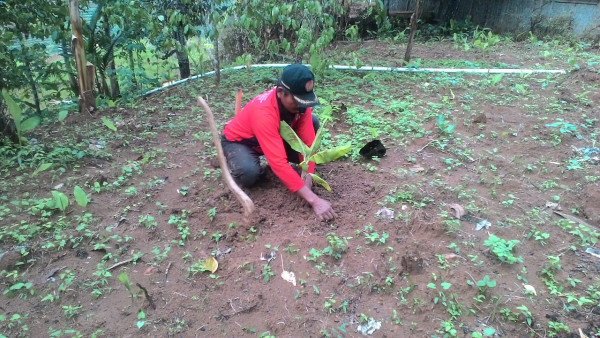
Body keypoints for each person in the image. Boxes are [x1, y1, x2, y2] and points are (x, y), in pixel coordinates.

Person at [221, 64, 337, 221]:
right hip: (241, 142)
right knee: (249, 174)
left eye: (305, 101)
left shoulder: (300, 105)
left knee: (313, 121)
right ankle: (231, 158)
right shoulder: (264, 113)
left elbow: (308, 147)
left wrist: (307, 179)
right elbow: (278, 163)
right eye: (298, 101)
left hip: (272, 136)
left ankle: (271, 154)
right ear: (281, 93)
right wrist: (314, 200)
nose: (302, 106)